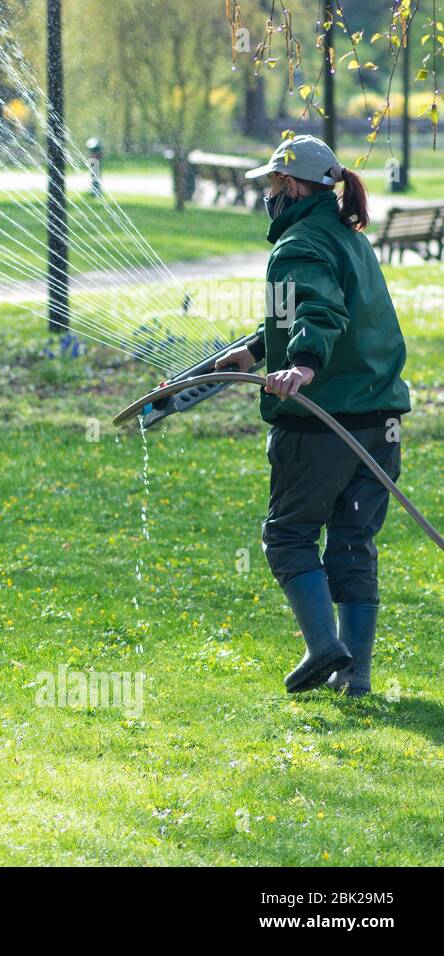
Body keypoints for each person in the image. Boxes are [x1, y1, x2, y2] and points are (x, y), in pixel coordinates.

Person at [216, 134, 411, 696]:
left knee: (288, 534)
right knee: (353, 541)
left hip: (324, 418)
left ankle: (325, 649)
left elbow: (319, 311)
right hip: (383, 418)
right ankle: (357, 678)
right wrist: (257, 350)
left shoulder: (297, 244)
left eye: (273, 185)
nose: (268, 196)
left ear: (293, 185)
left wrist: (300, 367)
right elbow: (312, 309)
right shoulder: (349, 238)